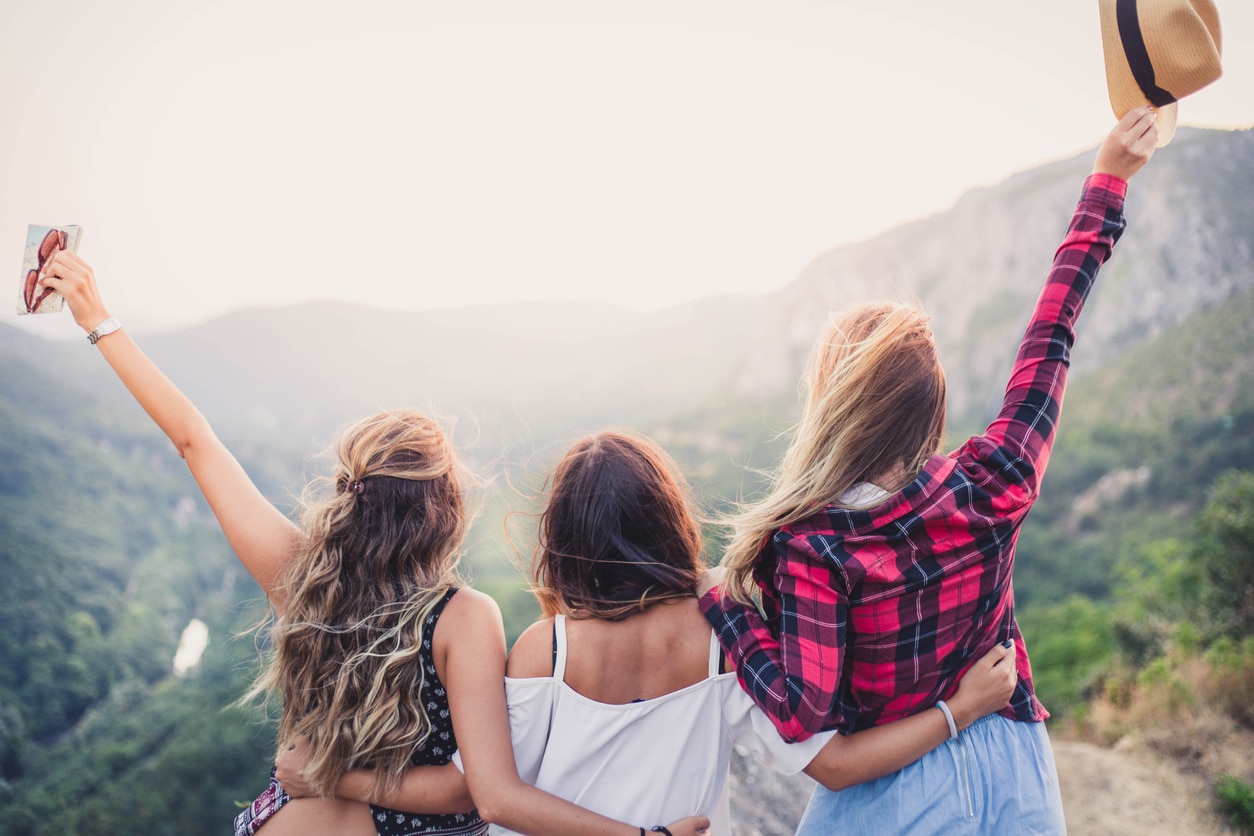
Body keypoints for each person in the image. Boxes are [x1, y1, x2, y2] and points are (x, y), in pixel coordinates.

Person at [37, 257, 709, 836]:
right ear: (445, 506)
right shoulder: (464, 618)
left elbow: (194, 440)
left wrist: (97, 317)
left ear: (349, 491)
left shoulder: (301, 574)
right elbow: (469, 788)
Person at [698, 109, 1160, 834]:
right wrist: (1107, 181)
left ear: (829, 409)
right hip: (1014, 770)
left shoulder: (815, 547)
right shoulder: (993, 482)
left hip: (886, 800)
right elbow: (1053, 333)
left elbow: (801, 711)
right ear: (931, 409)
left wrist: (720, 604)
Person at [281, 429, 1017, 834]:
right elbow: (834, 764)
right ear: (668, 524)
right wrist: (960, 709)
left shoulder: (545, 649)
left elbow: (492, 795)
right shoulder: (726, 639)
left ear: (565, 538)